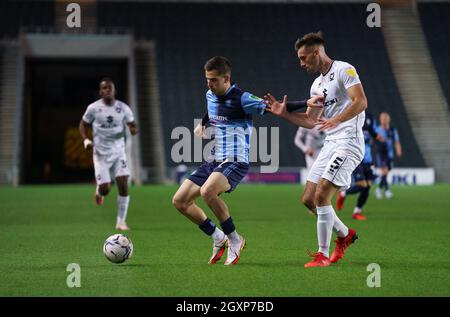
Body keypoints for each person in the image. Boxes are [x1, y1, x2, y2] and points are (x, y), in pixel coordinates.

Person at [172, 56, 321, 266]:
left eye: (214, 80)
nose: (209, 84)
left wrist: (305, 103)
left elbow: (275, 107)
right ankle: (217, 237)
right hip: (214, 159)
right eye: (207, 79)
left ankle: (234, 239)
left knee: (207, 192)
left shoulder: (242, 98)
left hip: (235, 160)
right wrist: (203, 123)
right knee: (180, 201)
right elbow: (211, 109)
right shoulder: (210, 93)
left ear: (226, 79)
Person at [264, 32, 368, 267]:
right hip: (330, 144)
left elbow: (360, 101)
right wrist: (285, 114)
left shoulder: (344, 69)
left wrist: (338, 119)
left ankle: (322, 255)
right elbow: (311, 122)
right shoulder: (317, 85)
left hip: (348, 142)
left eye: (303, 58)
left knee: (322, 195)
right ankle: (345, 235)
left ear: (316, 52)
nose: (301, 63)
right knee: (308, 199)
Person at [79, 78, 138, 231]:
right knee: (106, 188)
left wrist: (133, 129)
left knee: (123, 182)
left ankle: (121, 221)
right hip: (100, 153)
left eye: (110, 88)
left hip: (118, 151)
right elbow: (83, 124)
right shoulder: (93, 108)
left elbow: (132, 123)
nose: (107, 90)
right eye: (104, 88)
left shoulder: (123, 108)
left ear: (114, 90)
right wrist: (86, 139)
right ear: (100, 91)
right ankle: (99, 191)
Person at [335, 112, 382, 220]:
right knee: (362, 185)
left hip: (368, 159)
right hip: (356, 157)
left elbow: (372, 132)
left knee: (368, 186)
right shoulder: (351, 115)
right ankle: (343, 194)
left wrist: (377, 136)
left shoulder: (370, 117)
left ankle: (356, 212)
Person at [374, 112, 402, 199]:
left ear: (389, 120)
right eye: (382, 119)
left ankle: (378, 189)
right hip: (381, 153)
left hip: (390, 154)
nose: (384, 120)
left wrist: (398, 149)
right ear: (380, 120)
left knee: (386, 172)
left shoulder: (393, 130)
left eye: (385, 118)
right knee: (384, 171)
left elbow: (396, 141)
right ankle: (387, 191)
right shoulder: (377, 130)